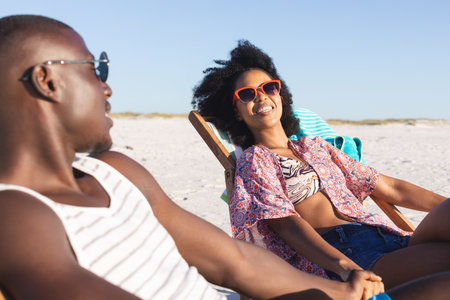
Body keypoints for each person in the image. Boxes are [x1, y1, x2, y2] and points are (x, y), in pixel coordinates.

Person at [0, 14, 390, 300]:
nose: (107, 89)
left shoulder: (118, 172)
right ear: (47, 81)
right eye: (96, 68)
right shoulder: (15, 214)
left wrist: (342, 292)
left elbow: (235, 262)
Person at [192, 40, 450, 290]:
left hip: (387, 238)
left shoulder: (314, 146)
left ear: (279, 94)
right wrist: (345, 267)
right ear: (236, 110)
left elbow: (390, 188)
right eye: (247, 94)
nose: (261, 97)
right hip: (346, 256)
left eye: (268, 88)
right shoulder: (255, 160)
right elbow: (285, 224)